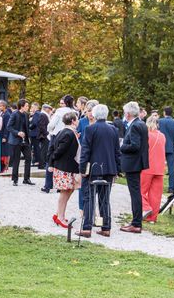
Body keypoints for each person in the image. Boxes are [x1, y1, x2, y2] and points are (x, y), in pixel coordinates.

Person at [76, 105, 121, 238]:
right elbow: (117, 152)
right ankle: (106, 227)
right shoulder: (113, 129)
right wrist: (117, 170)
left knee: (88, 197)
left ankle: (87, 228)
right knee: (105, 199)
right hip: (109, 168)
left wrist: (82, 169)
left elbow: (85, 151)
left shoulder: (90, 129)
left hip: (93, 168)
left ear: (94, 115)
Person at [120, 101, 149, 233]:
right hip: (137, 162)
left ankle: (136, 223)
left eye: (125, 112)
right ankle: (135, 221)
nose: (124, 114)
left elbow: (135, 145)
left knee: (135, 194)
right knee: (135, 193)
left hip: (133, 163)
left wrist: (122, 146)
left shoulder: (136, 125)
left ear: (129, 113)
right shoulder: (141, 124)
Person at [50, 112, 80, 228]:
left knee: (68, 191)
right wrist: (53, 161)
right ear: (73, 121)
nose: (78, 121)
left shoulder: (67, 132)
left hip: (67, 167)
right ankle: (60, 217)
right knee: (64, 193)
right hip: (64, 168)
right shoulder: (68, 133)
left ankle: (58, 214)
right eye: (76, 119)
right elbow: (58, 151)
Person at [42, 95, 74, 193]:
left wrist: (50, 130)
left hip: (57, 136)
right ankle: (61, 185)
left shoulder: (59, 111)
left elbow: (51, 125)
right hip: (69, 135)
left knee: (51, 158)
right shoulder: (74, 112)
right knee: (64, 159)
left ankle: (48, 185)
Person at [140, 115, 166, 223]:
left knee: (140, 190)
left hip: (148, 167)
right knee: (155, 195)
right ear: (157, 124)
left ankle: (146, 208)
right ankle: (152, 218)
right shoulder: (162, 136)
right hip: (160, 168)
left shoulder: (146, 135)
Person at [76, 99, 99, 212]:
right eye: (88, 111)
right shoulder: (81, 122)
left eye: (92, 111)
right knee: (83, 182)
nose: (90, 113)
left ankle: (91, 207)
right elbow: (76, 135)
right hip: (84, 155)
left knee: (94, 182)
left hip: (96, 156)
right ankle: (82, 207)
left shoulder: (99, 123)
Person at [7, 99, 34, 186]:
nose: (28, 107)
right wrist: (17, 133)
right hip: (16, 140)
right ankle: (15, 180)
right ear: (22, 106)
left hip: (25, 141)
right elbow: (9, 127)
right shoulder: (14, 114)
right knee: (16, 160)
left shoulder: (26, 114)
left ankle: (26, 179)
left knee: (29, 158)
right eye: (26, 106)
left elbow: (26, 127)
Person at [158, 106, 174, 193]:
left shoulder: (160, 121)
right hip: (170, 148)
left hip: (160, 147)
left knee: (159, 167)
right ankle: (171, 187)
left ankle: (158, 185)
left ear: (164, 112)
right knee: (171, 168)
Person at [0, 100, 12, 173]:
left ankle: (4, 167)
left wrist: (5, 137)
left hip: (4, 135)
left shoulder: (7, 115)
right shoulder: (2, 113)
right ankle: (2, 166)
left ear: (3, 106)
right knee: (2, 151)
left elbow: (7, 127)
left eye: (0, 105)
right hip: (1, 134)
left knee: (5, 151)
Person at [37, 104, 51, 170]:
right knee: (44, 150)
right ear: (45, 108)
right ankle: (42, 164)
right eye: (49, 108)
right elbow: (42, 126)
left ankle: (42, 164)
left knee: (44, 150)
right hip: (44, 136)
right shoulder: (43, 115)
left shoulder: (44, 114)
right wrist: (46, 133)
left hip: (44, 135)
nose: (50, 110)